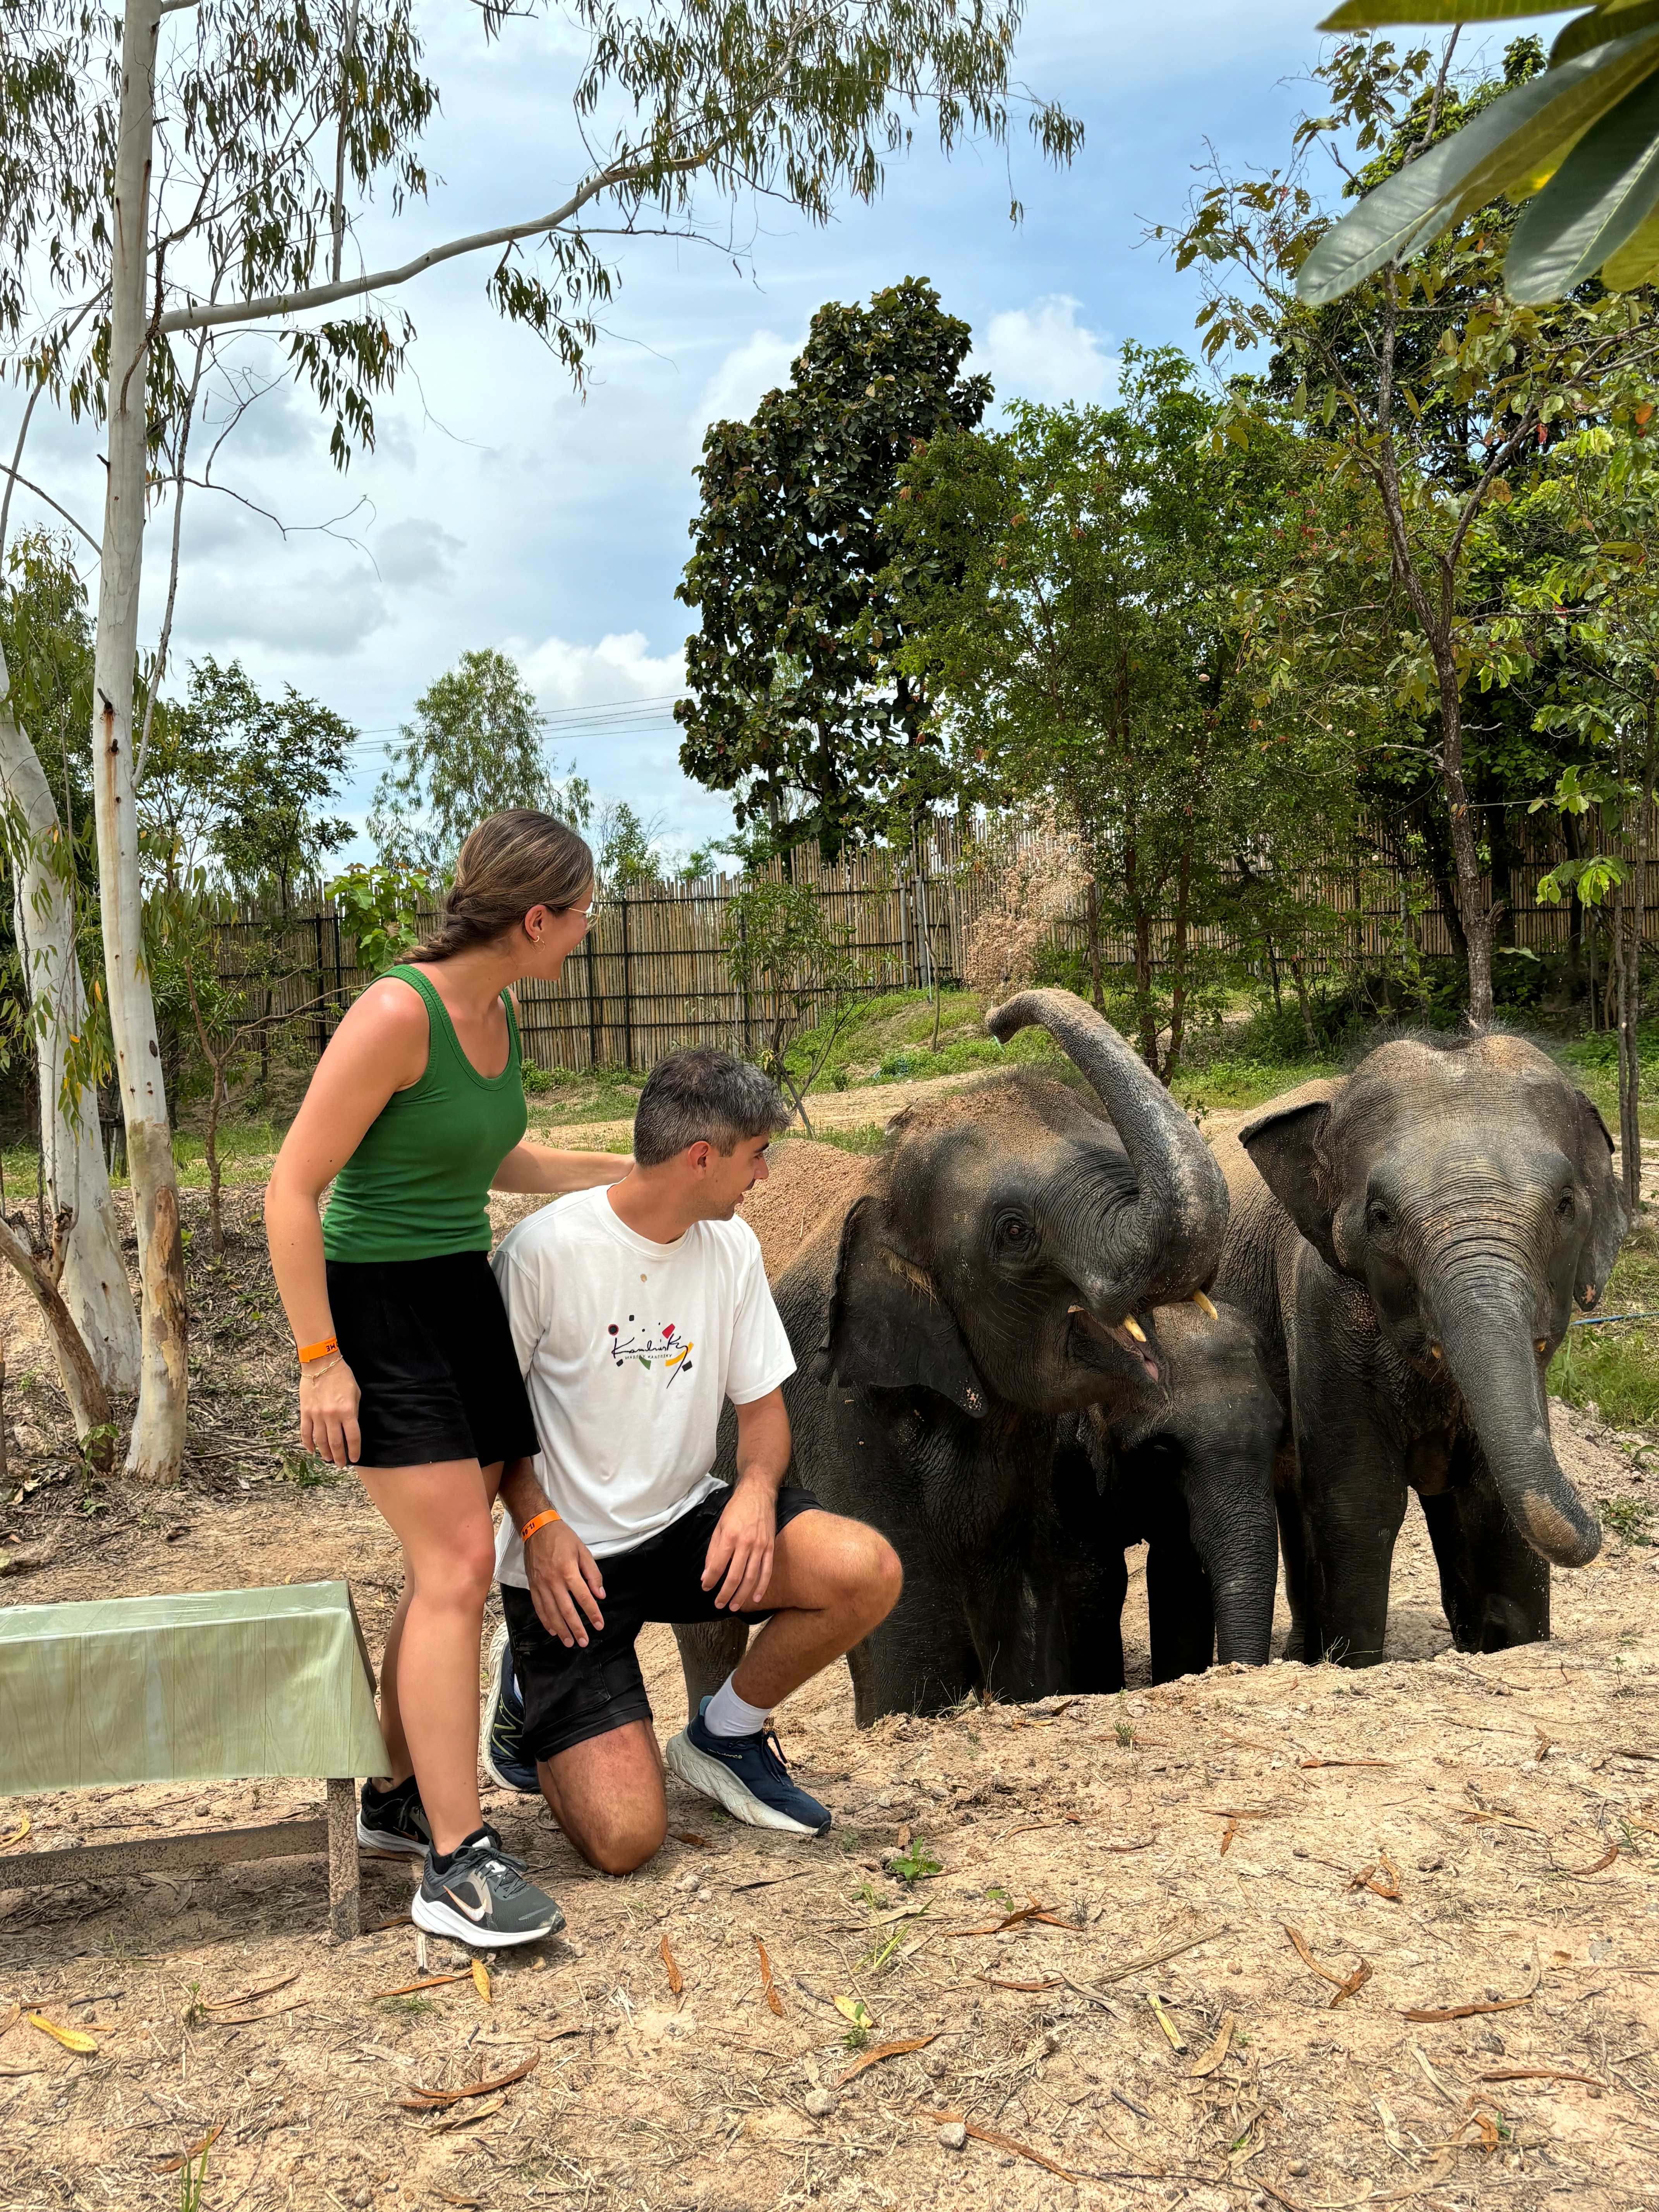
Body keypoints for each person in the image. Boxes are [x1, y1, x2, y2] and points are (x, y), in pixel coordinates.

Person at [264, 809, 630, 1948]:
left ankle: (393, 1800)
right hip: (376, 1310)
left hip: (459, 1293)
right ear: (535, 919)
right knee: (458, 1567)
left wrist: (626, 1172)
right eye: (579, 917)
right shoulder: (395, 1013)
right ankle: (453, 1864)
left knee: (442, 1573)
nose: (582, 935)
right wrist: (320, 1362)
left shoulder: (496, 1011)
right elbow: (291, 1188)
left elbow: (493, 1155)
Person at [469, 1046, 902, 1873]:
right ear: (702, 1157)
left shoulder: (730, 1248)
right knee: (628, 1842)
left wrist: (753, 1490)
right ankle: (528, 1683)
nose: (766, 1175)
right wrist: (537, 1524)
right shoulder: (539, 1253)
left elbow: (764, 1414)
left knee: (866, 1570)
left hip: (681, 1525)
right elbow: (499, 1432)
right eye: (757, 1154)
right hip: (568, 1564)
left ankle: (725, 1735)